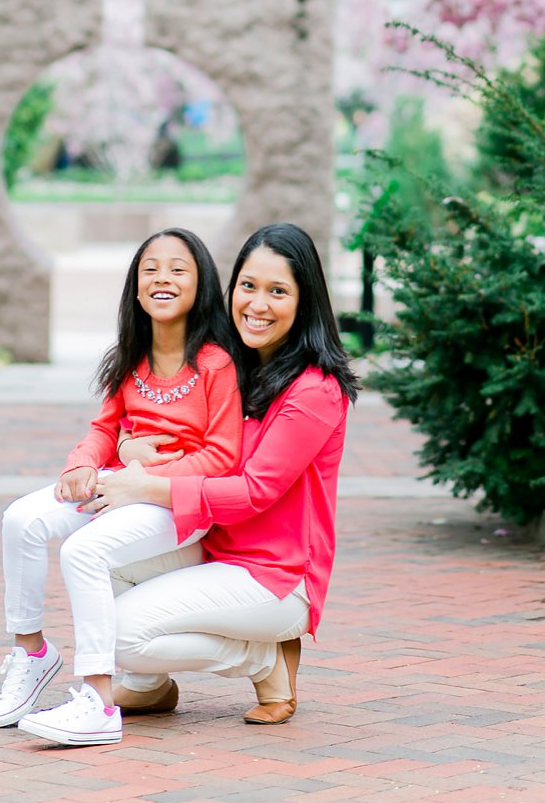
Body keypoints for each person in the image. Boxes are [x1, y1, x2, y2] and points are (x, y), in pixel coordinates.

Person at [85, 222, 357, 728]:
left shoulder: (314, 391)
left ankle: (264, 660)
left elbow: (256, 490)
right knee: (104, 561)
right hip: (214, 548)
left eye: (278, 291)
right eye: (248, 286)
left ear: (305, 301)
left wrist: (147, 486)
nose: (257, 304)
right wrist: (126, 444)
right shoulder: (232, 365)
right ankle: (149, 686)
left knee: (118, 634)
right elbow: (167, 428)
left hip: (276, 575)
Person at [0, 228, 241, 745]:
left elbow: (221, 457)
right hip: (122, 483)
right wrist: (80, 465)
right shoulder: (132, 355)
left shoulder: (218, 363)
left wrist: (143, 479)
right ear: (135, 285)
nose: (162, 278)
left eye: (178, 268)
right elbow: (106, 427)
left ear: (202, 285)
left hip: (176, 503)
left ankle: (99, 701)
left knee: (83, 552)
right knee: (22, 519)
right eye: (150, 268)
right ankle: (31, 653)